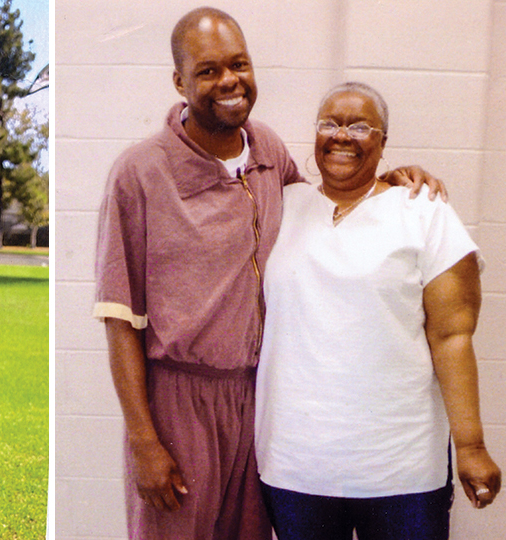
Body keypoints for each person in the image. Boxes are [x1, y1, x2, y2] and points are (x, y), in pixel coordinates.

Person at [93, 7, 445, 540]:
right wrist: (144, 440)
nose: (229, 80)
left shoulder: (269, 152)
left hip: (261, 402)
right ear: (179, 82)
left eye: (239, 64)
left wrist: (387, 182)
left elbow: (326, 209)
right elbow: (121, 321)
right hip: (179, 405)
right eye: (208, 70)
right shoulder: (140, 174)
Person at [254, 82, 502, 540]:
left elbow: (453, 336)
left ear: (384, 142)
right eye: (329, 123)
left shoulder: (422, 211)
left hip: (400, 470)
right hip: (296, 464)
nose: (342, 135)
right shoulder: (284, 206)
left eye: (360, 125)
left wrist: (472, 446)